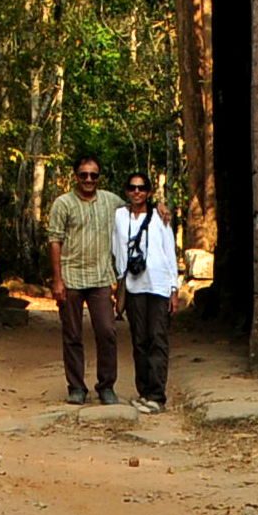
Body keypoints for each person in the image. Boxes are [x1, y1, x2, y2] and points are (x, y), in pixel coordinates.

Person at [45, 153, 124, 405]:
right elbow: (55, 241)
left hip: (101, 277)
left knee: (107, 331)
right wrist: (57, 280)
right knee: (72, 335)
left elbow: (137, 208)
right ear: (75, 176)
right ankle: (76, 387)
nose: (89, 179)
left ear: (99, 177)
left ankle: (106, 385)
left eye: (93, 175)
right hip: (71, 277)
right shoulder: (63, 204)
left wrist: (161, 209)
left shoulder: (111, 202)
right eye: (84, 175)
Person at [113, 172, 180, 411]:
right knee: (139, 339)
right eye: (132, 188)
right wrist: (119, 284)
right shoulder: (120, 216)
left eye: (141, 188)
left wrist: (174, 288)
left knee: (157, 338)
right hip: (133, 285)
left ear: (149, 192)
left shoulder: (159, 217)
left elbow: (169, 251)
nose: (137, 192)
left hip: (159, 285)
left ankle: (157, 396)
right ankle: (144, 391)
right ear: (126, 191)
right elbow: (118, 250)